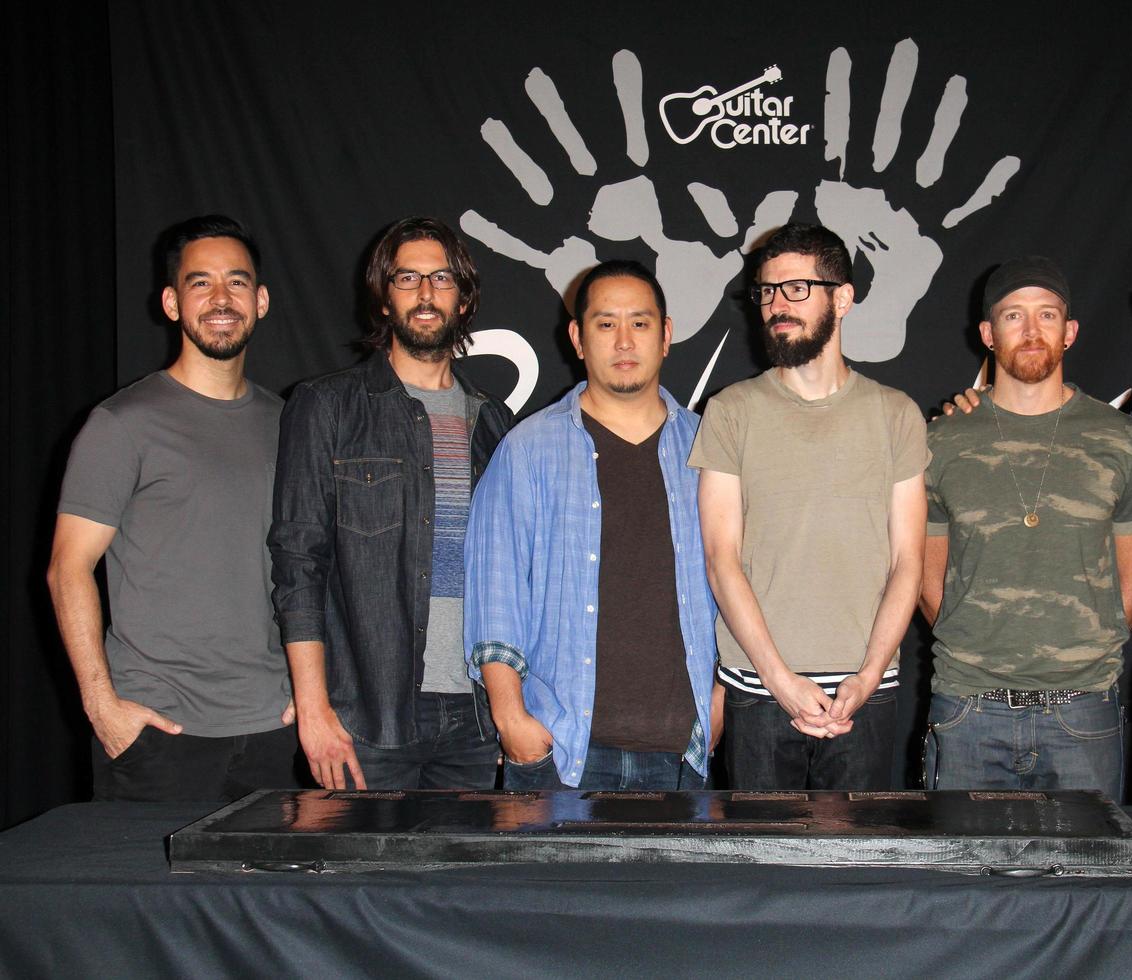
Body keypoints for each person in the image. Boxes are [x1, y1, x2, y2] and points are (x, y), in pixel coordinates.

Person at [48, 215, 296, 801]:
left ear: (260, 301)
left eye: (237, 283)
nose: (220, 299)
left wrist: (304, 694)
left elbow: (308, 568)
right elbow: (67, 569)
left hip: (272, 731)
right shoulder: (122, 425)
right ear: (171, 300)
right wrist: (101, 706)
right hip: (159, 733)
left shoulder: (289, 423)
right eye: (199, 283)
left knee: (267, 898)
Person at [270, 216, 513, 790]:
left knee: (461, 881)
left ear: (464, 298)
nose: (426, 293)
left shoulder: (495, 423)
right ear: (383, 297)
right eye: (408, 278)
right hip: (366, 716)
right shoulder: (325, 405)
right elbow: (297, 563)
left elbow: (512, 579)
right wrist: (314, 708)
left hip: (476, 718)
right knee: (365, 881)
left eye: (442, 278)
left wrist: (508, 709)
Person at [690, 222, 928, 790]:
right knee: (762, 865)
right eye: (767, 291)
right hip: (758, 688)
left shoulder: (896, 414)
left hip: (865, 693)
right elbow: (722, 559)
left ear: (842, 297)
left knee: (852, 870)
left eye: (796, 288)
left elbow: (908, 562)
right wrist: (780, 681)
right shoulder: (731, 411)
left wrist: (869, 675)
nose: (777, 304)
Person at [465, 260, 717, 790]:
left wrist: (718, 700)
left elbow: (737, 580)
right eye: (605, 324)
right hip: (559, 753)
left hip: (681, 753)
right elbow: (494, 590)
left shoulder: (709, 451)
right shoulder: (528, 449)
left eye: (640, 323)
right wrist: (512, 721)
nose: (624, 340)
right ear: (578, 337)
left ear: (666, 335)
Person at [919, 256, 1132, 800]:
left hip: (1082, 711)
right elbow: (927, 582)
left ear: (1069, 332)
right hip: (967, 707)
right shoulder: (941, 441)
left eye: (1047, 315)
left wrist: (1081, 657)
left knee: (1084, 881)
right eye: (1013, 316)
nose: (1031, 331)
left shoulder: (1121, 439)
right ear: (987, 333)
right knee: (963, 882)